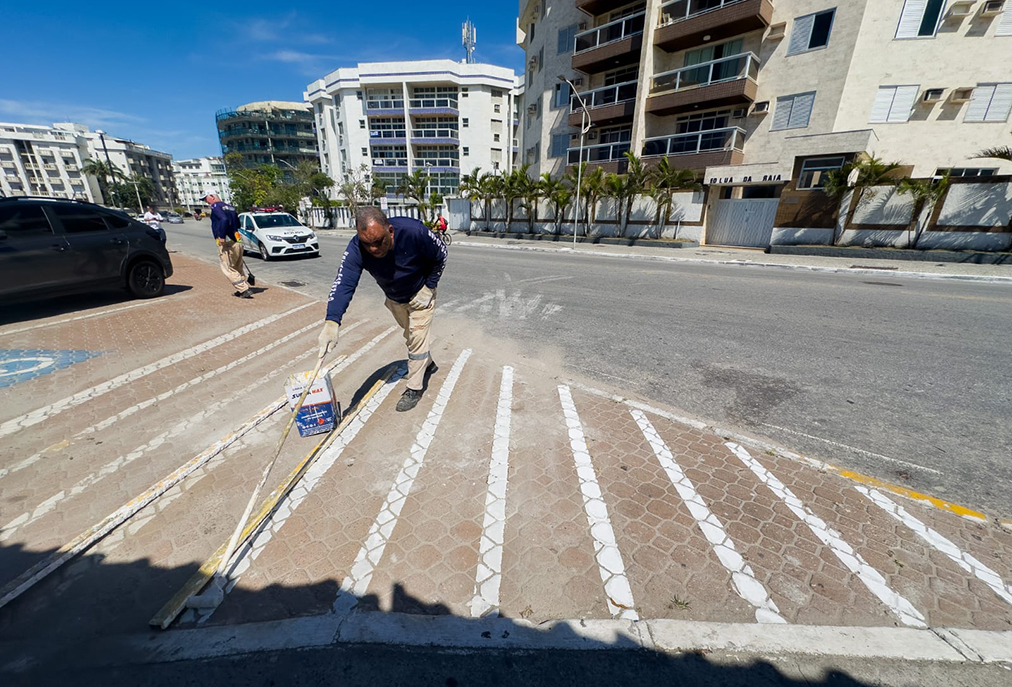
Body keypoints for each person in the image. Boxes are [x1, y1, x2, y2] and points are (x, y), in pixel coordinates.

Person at [318, 207, 447, 412]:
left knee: (416, 336)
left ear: (390, 231)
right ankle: (427, 363)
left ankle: (414, 387)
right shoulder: (356, 248)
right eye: (367, 244)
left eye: (379, 241)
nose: (374, 249)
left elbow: (441, 254)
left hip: (421, 295)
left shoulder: (413, 231)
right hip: (394, 298)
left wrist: (429, 286)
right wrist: (332, 321)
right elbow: (344, 283)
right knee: (410, 335)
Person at [201, 191, 252, 299]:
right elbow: (237, 223)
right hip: (237, 239)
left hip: (226, 242)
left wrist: (222, 236)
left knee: (228, 268)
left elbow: (223, 219)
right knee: (237, 266)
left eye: (206, 198)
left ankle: (243, 289)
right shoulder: (230, 207)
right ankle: (242, 287)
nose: (206, 201)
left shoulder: (215, 206)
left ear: (212, 197)